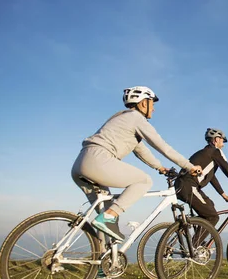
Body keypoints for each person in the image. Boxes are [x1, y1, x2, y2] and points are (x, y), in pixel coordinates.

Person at [71, 86, 202, 243]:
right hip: (100, 159)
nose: (153, 109)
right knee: (143, 181)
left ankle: (102, 262)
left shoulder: (121, 119)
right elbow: (163, 147)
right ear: (142, 103)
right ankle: (108, 217)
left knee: (106, 215)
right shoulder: (136, 118)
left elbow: (140, 150)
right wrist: (190, 166)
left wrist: (159, 167)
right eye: (152, 103)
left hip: (81, 163)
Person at [175, 128, 228, 236]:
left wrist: (224, 195)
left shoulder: (206, 153)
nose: (224, 143)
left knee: (210, 206)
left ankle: (189, 229)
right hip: (189, 187)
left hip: (183, 186)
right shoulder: (215, 152)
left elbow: (211, 177)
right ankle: (193, 248)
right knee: (213, 217)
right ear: (216, 139)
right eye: (222, 140)